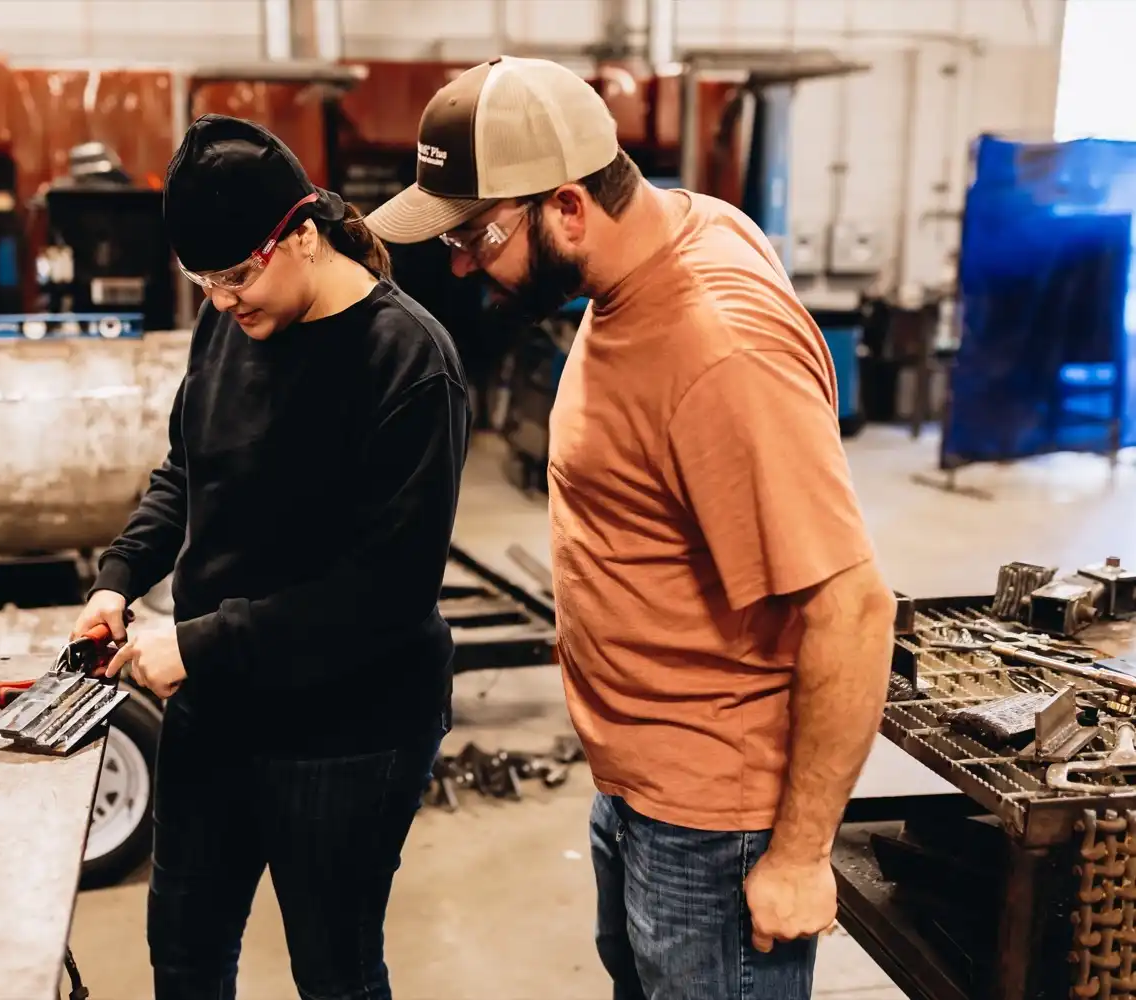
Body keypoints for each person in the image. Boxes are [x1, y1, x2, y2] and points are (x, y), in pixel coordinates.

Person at [365, 56, 896, 999]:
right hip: (640, 787)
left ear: (569, 206)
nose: (457, 262)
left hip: (714, 826)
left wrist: (800, 855)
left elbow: (851, 608)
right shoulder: (675, 230)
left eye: (477, 235)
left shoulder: (719, 352)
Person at [71, 114, 471, 1000]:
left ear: (300, 235)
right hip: (220, 711)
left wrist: (203, 643)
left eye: (237, 277)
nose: (222, 302)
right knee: (183, 956)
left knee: (333, 970)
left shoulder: (407, 362)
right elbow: (189, 467)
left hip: (349, 733)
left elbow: (387, 593)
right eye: (203, 283)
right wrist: (120, 578)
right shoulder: (233, 324)